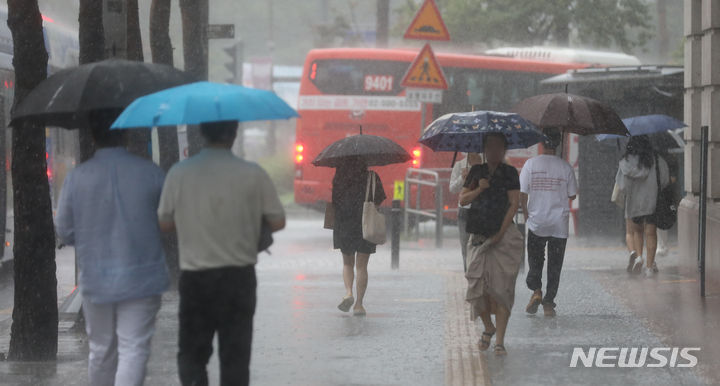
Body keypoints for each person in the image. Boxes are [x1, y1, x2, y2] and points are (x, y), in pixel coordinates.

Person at [158, 120, 286, 386]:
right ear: (234, 133)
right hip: (238, 280)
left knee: (192, 355)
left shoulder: (180, 173)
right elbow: (278, 221)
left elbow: (165, 223)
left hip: (196, 279)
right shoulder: (253, 173)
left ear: (202, 133)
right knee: (235, 357)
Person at [55, 110, 169, 386]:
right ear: (126, 132)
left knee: (100, 351)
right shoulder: (151, 174)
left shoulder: (77, 177)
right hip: (143, 278)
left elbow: (65, 230)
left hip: (96, 279)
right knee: (134, 349)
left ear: (93, 136)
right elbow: (167, 220)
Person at [460, 133, 524, 356]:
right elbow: (463, 199)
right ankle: (488, 326)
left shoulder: (509, 173)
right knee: (476, 287)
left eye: (498, 146)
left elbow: (514, 204)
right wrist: (480, 188)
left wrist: (500, 233)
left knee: (502, 290)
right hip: (478, 235)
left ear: (505, 149)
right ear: (484, 149)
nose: (493, 150)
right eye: (489, 146)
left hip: (504, 239)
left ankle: (500, 341)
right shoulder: (476, 172)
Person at [519, 129, 577, 317]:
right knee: (555, 264)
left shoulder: (530, 165)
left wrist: (527, 213)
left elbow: (523, 192)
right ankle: (549, 303)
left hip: (537, 221)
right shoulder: (565, 167)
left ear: (541, 143)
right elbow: (572, 194)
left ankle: (536, 290)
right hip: (558, 224)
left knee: (535, 260)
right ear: (558, 144)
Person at [332, 159, 386, 316]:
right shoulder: (372, 177)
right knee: (362, 266)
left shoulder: (339, 177)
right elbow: (379, 200)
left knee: (347, 263)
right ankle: (359, 305)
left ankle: (348, 292)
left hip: (344, 223)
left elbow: (335, 200)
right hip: (365, 223)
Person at [615, 135, 669, 278]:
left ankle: (639, 256)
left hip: (634, 204)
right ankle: (650, 268)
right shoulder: (657, 160)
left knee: (637, 232)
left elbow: (621, 185)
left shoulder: (625, 162)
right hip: (652, 202)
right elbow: (665, 180)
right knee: (651, 234)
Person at [449, 152, 483, 271]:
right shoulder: (460, 165)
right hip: (465, 210)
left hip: (481, 210)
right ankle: (468, 273)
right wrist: (461, 179)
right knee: (465, 246)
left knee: (480, 245)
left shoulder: (485, 164)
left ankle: (479, 273)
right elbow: (452, 188)